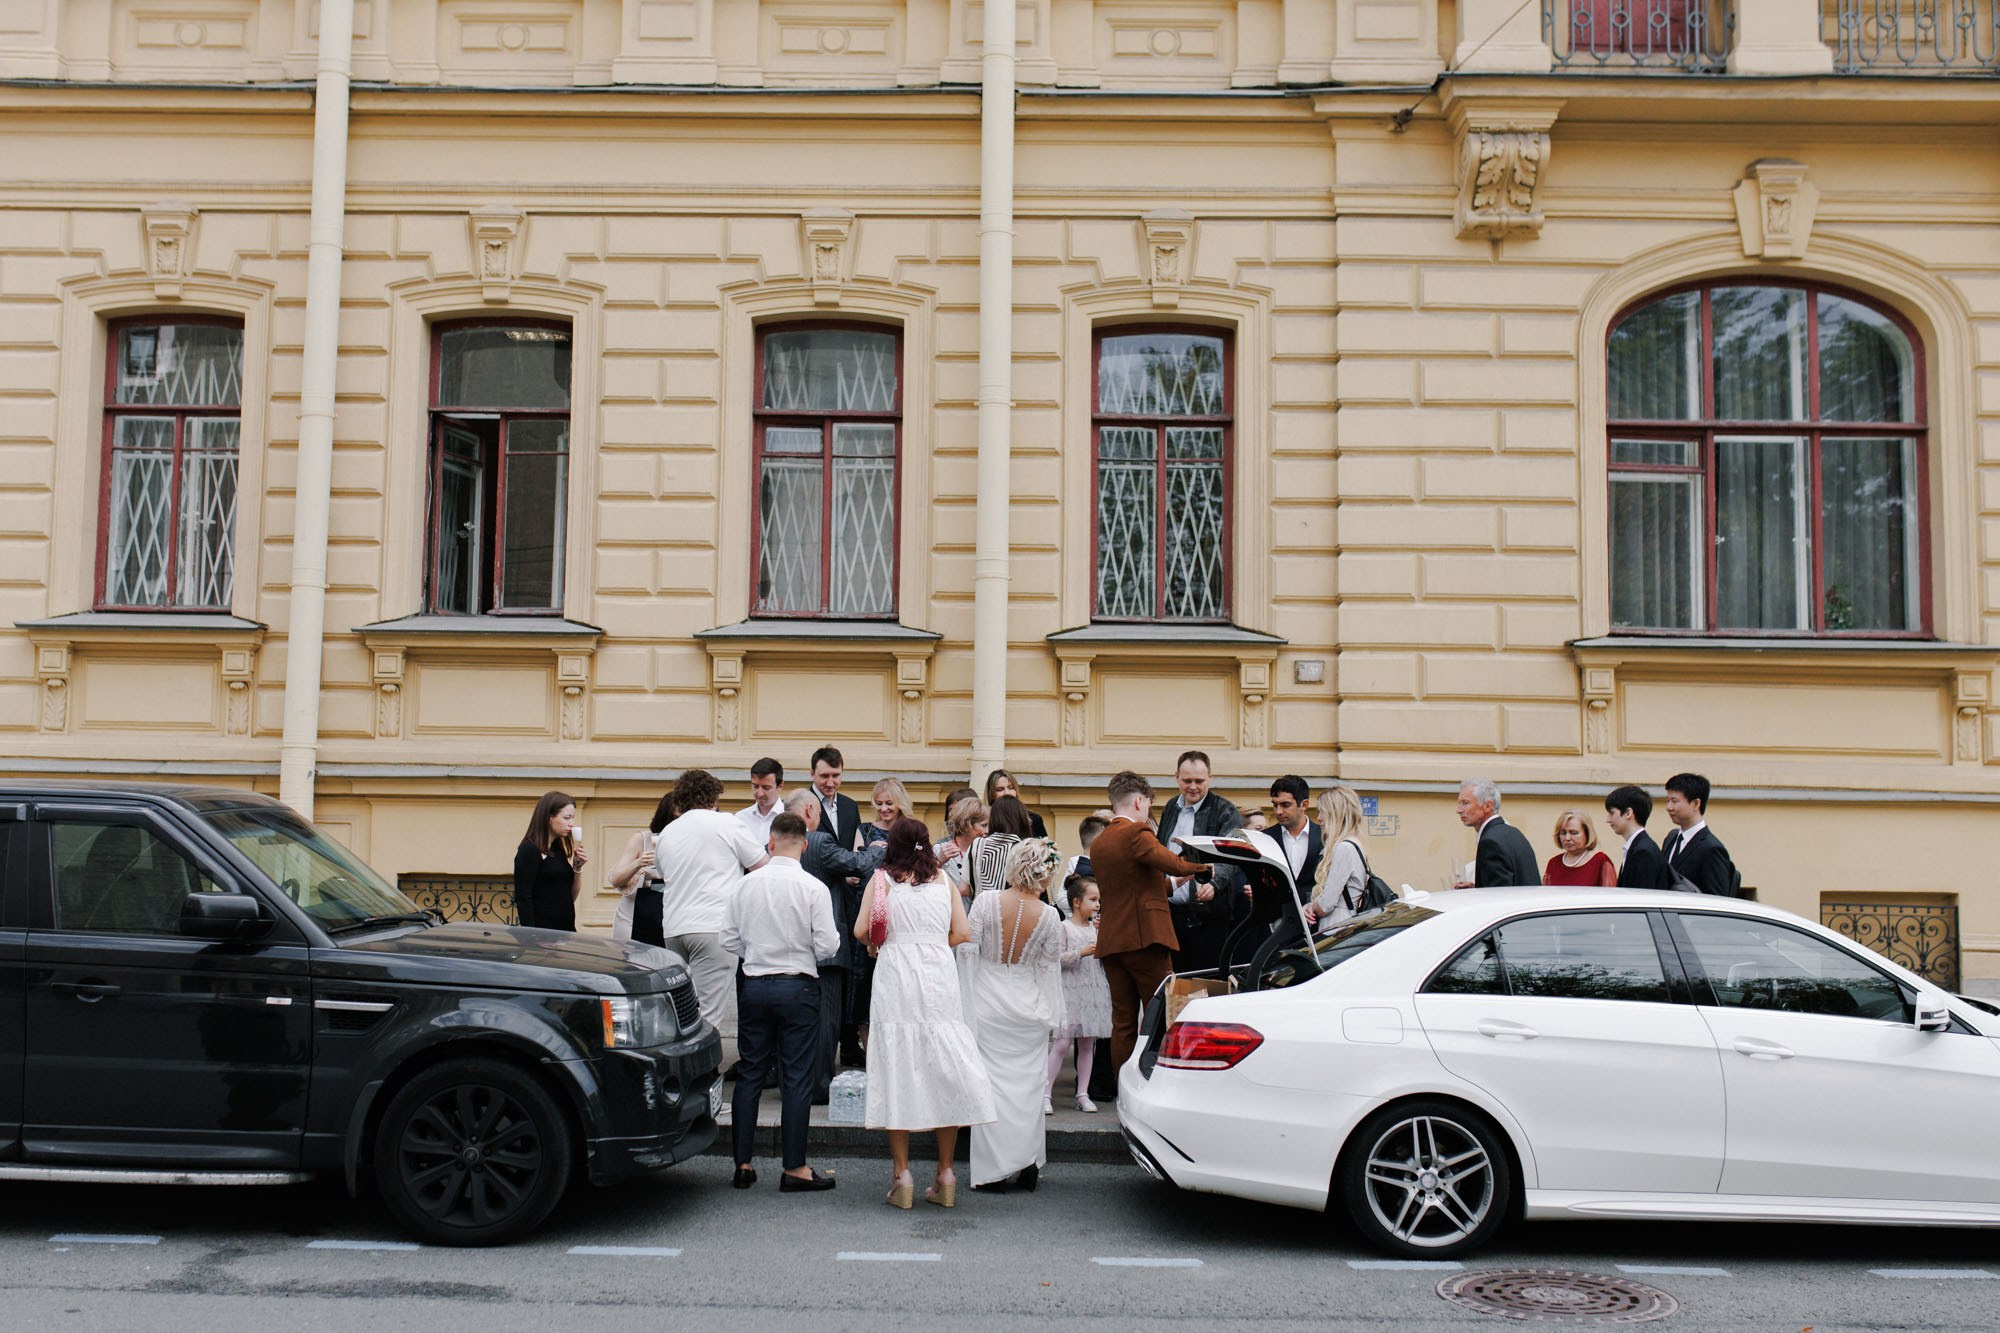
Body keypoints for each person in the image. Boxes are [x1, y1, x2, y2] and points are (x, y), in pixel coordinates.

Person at [858, 819, 995, 1210]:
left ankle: (902, 1175)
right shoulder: (943, 882)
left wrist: (887, 944)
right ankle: (946, 1172)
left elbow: (861, 930)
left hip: (896, 973)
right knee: (943, 1067)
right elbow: (963, 932)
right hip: (938, 973)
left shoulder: (882, 879)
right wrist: (933, 942)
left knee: (898, 1065)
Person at [720, 812, 839, 1193]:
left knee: (751, 1072)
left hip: (754, 985)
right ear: (804, 845)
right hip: (798, 986)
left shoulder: (745, 885)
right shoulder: (813, 887)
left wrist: (755, 951)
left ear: (770, 844)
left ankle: (742, 1164)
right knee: (796, 1078)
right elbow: (828, 945)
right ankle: (794, 1168)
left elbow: (728, 939)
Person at [1093, 771, 1211, 1077]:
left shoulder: (1101, 841)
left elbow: (1134, 887)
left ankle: (1123, 1088)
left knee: (1123, 1022)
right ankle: (1160, 1083)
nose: (1147, 811)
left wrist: (1176, 881)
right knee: (1162, 1014)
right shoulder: (1137, 833)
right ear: (1138, 801)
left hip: (1112, 941)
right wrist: (1202, 864)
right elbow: (1170, 861)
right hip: (1145, 939)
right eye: (1146, 805)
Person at [965, 837, 1066, 1193]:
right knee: (1028, 1087)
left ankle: (994, 1169)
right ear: (1044, 873)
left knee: (991, 1086)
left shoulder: (986, 901)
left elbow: (967, 950)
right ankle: (1027, 1163)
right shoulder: (1050, 916)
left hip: (987, 998)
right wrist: (1050, 1012)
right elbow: (1048, 968)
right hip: (1027, 1003)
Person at [657, 770, 769, 1069]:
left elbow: (662, 873)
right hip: (714, 927)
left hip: (674, 929)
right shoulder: (728, 823)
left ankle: (677, 1082)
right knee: (709, 1017)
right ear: (714, 797)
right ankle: (704, 1092)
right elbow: (763, 868)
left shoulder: (669, 831)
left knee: (680, 1013)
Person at [787, 789, 886, 1101]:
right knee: (825, 1020)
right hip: (826, 948)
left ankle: (794, 1081)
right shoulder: (817, 842)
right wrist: (877, 849)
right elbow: (856, 863)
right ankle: (818, 1086)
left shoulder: (774, 845)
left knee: (795, 1021)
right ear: (808, 812)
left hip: (790, 944)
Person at [1154, 751, 1245, 973]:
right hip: (1171, 914)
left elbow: (1230, 854)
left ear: (1210, 778)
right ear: (1176, 777)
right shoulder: (1170, 808)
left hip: (1208, 917)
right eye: (1187, 781)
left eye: (1199, 781)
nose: (1193, 787)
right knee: (1174, 982)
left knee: (1206, 982)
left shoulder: (1225, 810)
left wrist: (1213, 883)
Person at [1047, 875, 1109, 1114]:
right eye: (1093, 900)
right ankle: (1045, 1092)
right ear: (1076, 902)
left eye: (1098, 900)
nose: (1097, 905)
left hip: (1092, 991)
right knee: (1062, 1043)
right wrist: (1081, 952)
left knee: (1087, 1044)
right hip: (1070, 991)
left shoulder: (1096, 929)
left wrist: (1103, 940)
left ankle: (1083, 1093)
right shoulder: (1064, 927)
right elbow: (1056, 959)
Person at [606, 791, 674, 945]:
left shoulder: (688, 842)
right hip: (635, 916)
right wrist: (639, 863)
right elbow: (616, 879)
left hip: (670, 918)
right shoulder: (643, 839)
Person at [513, 791, 586, 931]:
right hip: (543, 934)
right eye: (567, 818)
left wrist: (577, 868)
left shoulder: (557, 850)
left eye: (572, 818)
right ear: (549, 818)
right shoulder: (529, 850)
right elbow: (523, 898)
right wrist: (532, 936)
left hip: (565, 930)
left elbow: (569, 897)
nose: (572, 824)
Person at [1661, 772, 1740, 897]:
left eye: (1674, 801)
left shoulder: (1712, 849)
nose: (1669, 807)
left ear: (1696, 804)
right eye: (1667, 800)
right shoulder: (1672, 839)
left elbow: (1717, 900)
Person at [1305, 785, 1368, 935]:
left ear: (1337, 813)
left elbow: (1326, 905)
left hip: (1336, 928)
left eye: (1323, 812)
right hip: (1346, 924)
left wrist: (1309, 907)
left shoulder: (1343, 848)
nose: (1319, 818)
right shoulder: (1355, 843)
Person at [1455, 778, 1540, 888]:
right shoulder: (1513, 833)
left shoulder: (1490, 842)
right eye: (1459, 803)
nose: (1459, 810)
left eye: (1465, 803)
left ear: (1488, 806)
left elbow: (1497, 897)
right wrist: (1475, 889)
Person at [1267, 775, 1323, 899]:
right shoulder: (1265, 838)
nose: (1278, 812)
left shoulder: (1324, 836)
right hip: (1277, 915)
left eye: (1285, 805)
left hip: (1315, 914)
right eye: (1275, 805)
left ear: (1304, 805)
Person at [1604, 784, 1667, 891]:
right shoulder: (1639, 847)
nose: (1608, 819)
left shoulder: (1643, 852)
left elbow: (1640, 901)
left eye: (1611, 813)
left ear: (1628, 813)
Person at [937, 796, 989, 908]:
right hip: (948, 919)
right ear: (966, 824)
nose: (987, 831)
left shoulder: (987, 852)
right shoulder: (940, 850)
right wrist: (938, 862)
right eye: (984, 825)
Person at [1544, 809, 1618, 887]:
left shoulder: (1601, 861)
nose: (1567, 838)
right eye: (1563, 833)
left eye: (1573, 833)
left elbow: (1611, 897)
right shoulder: (1553, 863)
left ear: (1587, 833)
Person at [810, 746, 862, 851]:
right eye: (824, 776)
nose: (830, 783)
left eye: (835, 776)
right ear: (812, 774)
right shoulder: (799, 806)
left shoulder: (851, 807)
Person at [984, 769, 1049, 839]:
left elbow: (1045, 847)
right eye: (1000, 789)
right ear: (991, 795)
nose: (1007, 793)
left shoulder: (1034, 820)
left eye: (1011, 788)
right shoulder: (984, 822)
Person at [737, 757, 784, 845]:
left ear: (780, 786)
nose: (760, 794)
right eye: (755, 786)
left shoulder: (792, 819)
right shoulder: (740, 818)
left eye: (766, 788)